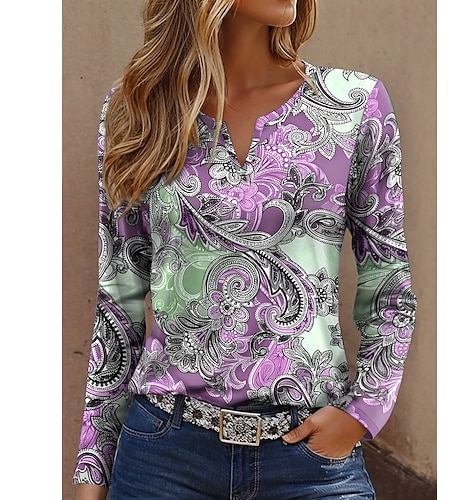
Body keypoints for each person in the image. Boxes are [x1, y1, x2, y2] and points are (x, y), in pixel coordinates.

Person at [73, 0, 417, 498]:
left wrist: (363, 413)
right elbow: (118, 302)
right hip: (163, 457)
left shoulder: (353, 105)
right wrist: (92, 471)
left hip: (309, 460)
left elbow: (388, 281)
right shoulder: (139, 108)